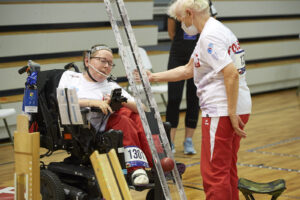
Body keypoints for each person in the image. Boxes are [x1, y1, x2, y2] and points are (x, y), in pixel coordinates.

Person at [144, 0, 252, 199]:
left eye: (180, 18)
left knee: (214, 173)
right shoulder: (214, 32)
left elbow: (231, 74)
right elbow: (188, 69)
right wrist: (153, 77)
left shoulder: (210, 36)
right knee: (227, 168)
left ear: (189, 13)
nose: (181, 23)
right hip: (237, 106)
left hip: (223, 110)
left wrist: (230, 112)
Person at [58, 44, 153, 186]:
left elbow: (143, 108)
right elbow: (62, 99)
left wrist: (120, 101)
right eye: (103, 61)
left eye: (110, 63)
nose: (107, 66)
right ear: (87, 61)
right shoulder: (71, 77)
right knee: (123, 121)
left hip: (108, 122)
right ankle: (136, 169)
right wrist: (94, 102)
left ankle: (154, 162)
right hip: (85, 128)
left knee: (137, 116)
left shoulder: (110, 85)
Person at [166, 0, 217, 155]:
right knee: (174, 99)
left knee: (194, 99)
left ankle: (188, 140)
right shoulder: (176, 5)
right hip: (177, 56)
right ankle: (170, 141)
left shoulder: (207, 4)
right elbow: (172, 33)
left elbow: (211, 26)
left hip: (199, 57)